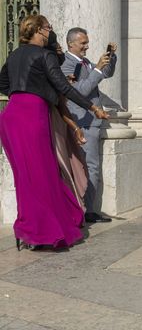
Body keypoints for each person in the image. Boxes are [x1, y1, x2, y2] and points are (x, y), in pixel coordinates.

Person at [0, 15, 108, 249]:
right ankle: (44, 232)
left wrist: (23, 93)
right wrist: (92, 106)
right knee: (44, 174)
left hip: (11, 117)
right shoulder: (45, 54)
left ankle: (26, 229)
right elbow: (64, 88)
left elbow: (3, 83)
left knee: (26, 178)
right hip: (32, 115)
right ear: (38, 30)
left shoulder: (15, 54)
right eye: (48, 28)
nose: (50, 32)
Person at [61, 27, 117, 223]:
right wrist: (98, 69)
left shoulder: (84, 62)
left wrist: (111, 57)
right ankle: (86, 210)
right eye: (83, 43)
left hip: (91, 122)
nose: (87, 46)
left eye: (87, 42)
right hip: (81, 121)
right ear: (71, 44)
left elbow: (106, 74)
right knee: (87, 167)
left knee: (91, 166)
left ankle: (87, 209)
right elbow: (80, 92)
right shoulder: (66, 65)